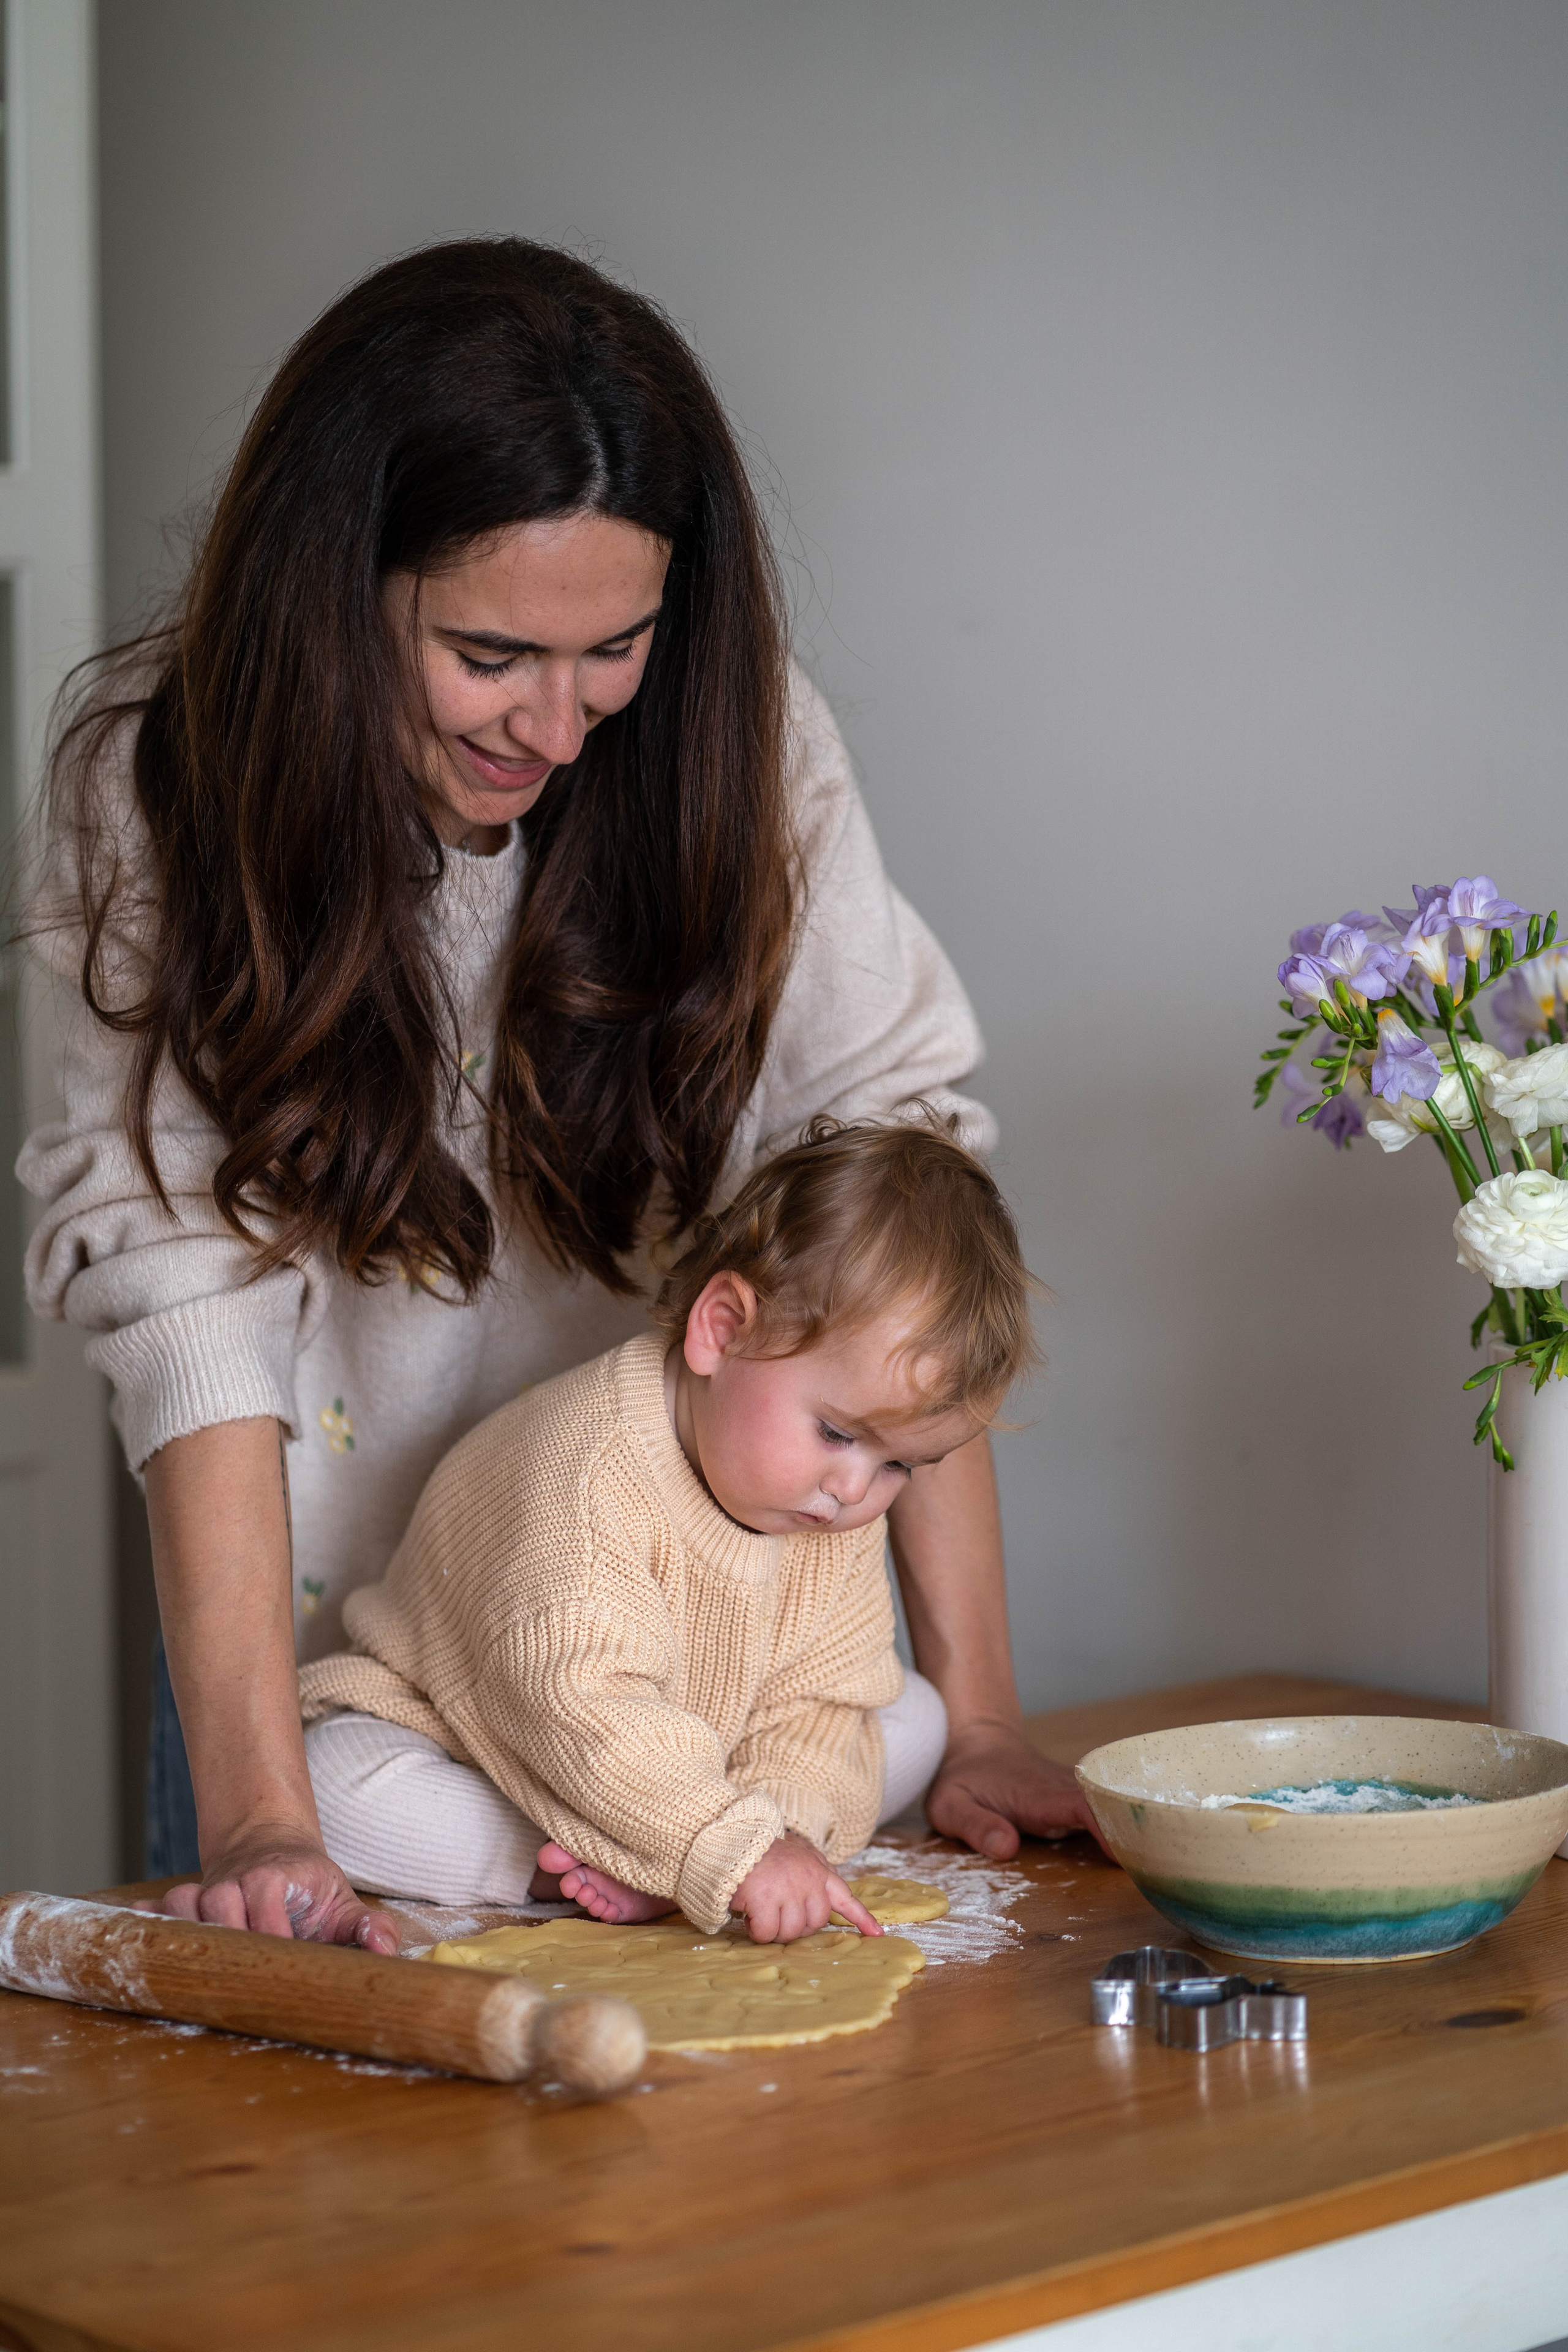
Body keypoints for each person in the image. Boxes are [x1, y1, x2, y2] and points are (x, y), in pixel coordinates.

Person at [18, 238, 1093, 1954]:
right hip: (335, 1682)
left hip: (687, 1662)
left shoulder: (742, 744)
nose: (564, 724)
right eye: (492, 654)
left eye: (619, 649)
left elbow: (898, 1180)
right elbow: (178, 1305)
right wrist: (264, 1813)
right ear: (336, 590)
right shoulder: (162, 786)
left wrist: (973, 1723)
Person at [299, 1117, 1032, 1945]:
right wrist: (728, 1845)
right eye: (836, 1432)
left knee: (918, 1717)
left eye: (901, 1465)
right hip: (475, 1732)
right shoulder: (584, 1467)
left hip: (690, 1750)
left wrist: (772, 1836)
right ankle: (567, 1871)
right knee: (331, 1785)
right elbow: (576, 1702)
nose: (855, 1491)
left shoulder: (832, 1501)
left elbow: (819, 1706)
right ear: (722, 1329)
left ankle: (658, 1850)